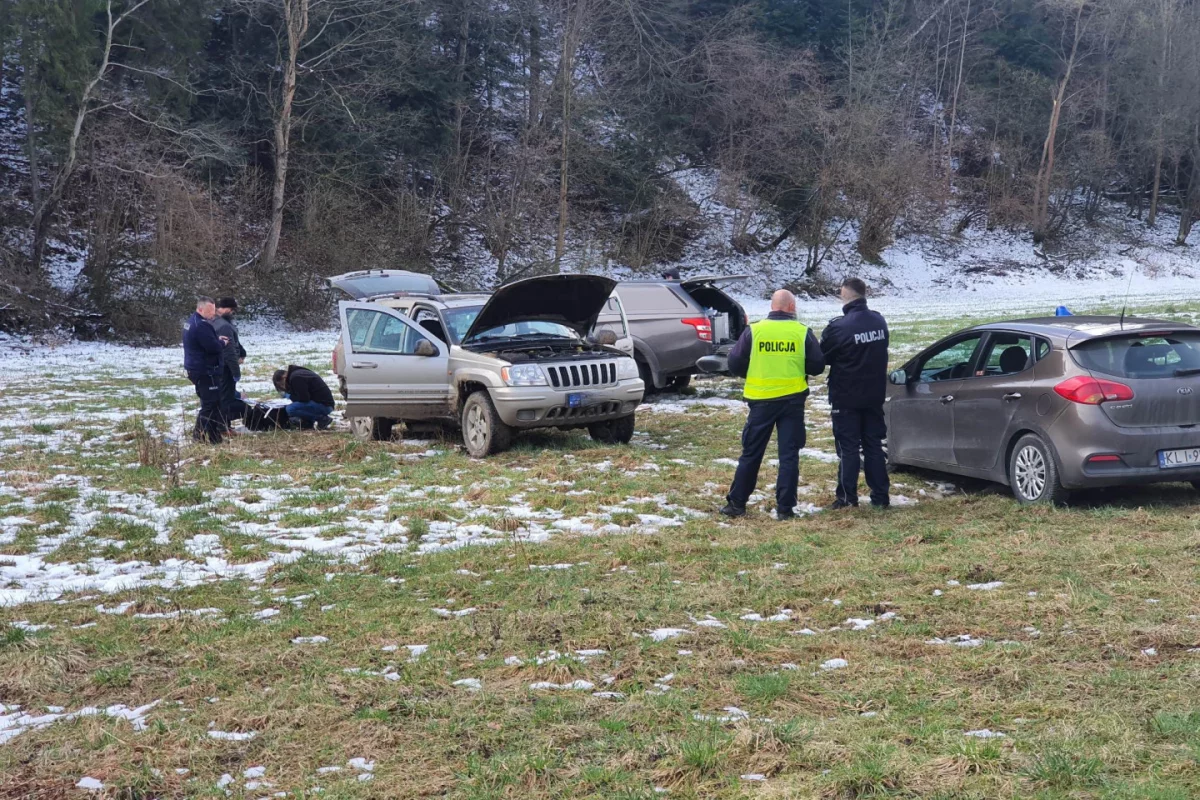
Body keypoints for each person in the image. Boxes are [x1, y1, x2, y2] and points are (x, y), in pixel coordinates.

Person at [721, 289, 825, 520]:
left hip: (761, 402)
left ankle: (736, 504)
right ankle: (785, 509)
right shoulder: (802, 332)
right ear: (789, 307)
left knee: (751, 453)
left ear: (772, 307)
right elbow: (817, 366)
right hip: (792, 402)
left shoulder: (755, 331)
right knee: (789, 456)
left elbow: (735, 363)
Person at [820, 277, 890, 510]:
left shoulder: (838, 327)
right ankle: (880, 496)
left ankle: (847, 498)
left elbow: (822, 358)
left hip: (846, 396)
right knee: (873, 446)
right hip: (873, 395)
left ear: (844, 294)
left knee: (848, 448)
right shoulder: (879, 321)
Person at [183, 296, 228, 444]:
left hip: (196, 368)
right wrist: (221, 342)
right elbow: (213, 348)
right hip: (206, 370)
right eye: (210, 311)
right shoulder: (202, 325)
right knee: (210, 405)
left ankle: (215, 438)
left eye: (214, 310)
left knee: (212, 404)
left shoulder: (190, 322)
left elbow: (204, 342)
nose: (212, 314)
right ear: (200, 309)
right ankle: (199, 436)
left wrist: (214, 339)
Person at [209, 297, 247, 433]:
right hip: (226, 367)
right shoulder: (224, 325)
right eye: (231, 310)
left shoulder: (216, 321)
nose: (232, 313)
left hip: (218, 366)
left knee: (223, 395)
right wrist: (236, 372)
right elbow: (229, 351)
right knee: (226, 397)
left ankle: (221, 424)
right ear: (225, 309)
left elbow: (235, 342)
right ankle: (223, 426)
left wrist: (242, 352)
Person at [272, 365, 335, 430]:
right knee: (296, 406)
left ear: (284, 377)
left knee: (290, 409)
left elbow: (304, 398)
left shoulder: (295, 378)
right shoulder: (297, 374)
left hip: (324, 406)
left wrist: (290, 396)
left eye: (282, 384)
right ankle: (308, 423)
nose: (283, 387)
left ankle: (322, 419)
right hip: (325, 403)